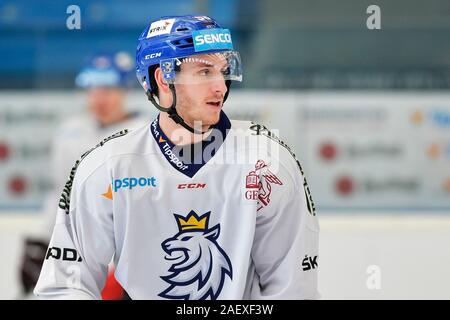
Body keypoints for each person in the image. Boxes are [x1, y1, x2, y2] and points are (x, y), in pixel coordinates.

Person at [34, 15, 319, 300]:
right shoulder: (107, 165)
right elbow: (65, 285)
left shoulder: (267, 161)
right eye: (204, 72)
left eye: (223, 70)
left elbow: (293, 290)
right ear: (162, 79)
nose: (220, 86)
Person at [19, 51, 147, 299]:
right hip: (74, 248)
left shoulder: (143, 133)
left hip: (123, 252)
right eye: (93, 89)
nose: (100, 97)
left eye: (108, 89)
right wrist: (42, 239)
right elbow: (62, 191)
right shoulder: (70, 131)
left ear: (125, 90)